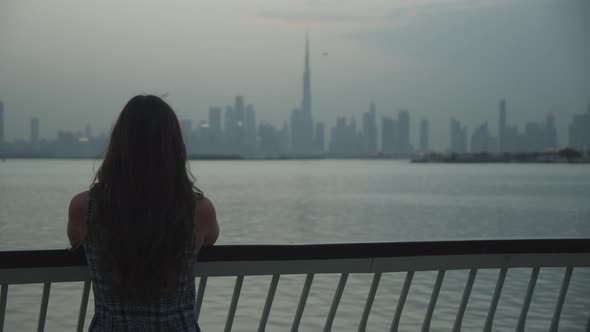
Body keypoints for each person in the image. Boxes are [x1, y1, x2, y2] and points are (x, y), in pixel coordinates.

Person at [67, 95, 219, 331]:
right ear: (174, 148)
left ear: (118, 146)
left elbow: (76, 240)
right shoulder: (199, 211)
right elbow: (209, 239)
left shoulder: (83, 208)